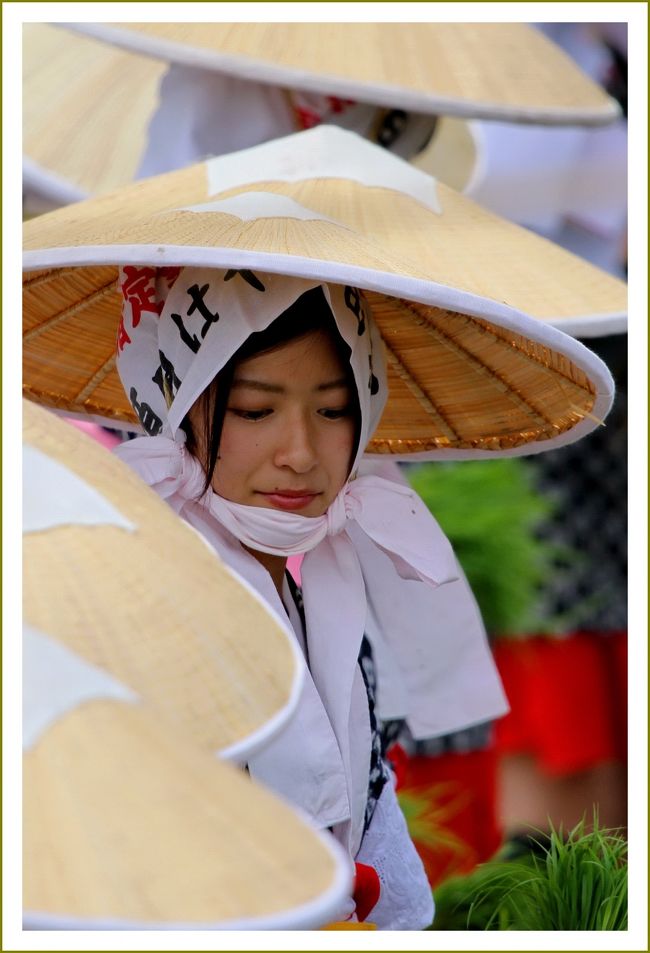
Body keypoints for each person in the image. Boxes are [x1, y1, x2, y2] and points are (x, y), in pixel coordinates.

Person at [114, 265, 464, 929]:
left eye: (332, 409)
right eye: (255, 410)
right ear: (183, 411)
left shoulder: (326, 602)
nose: (301, 452)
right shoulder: (149, 608)